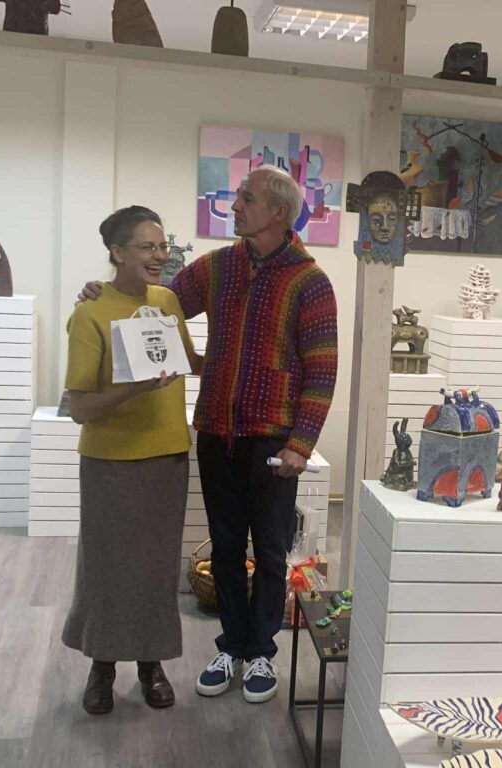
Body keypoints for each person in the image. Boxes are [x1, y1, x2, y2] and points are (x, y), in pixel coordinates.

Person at [79, 166, 338, 704]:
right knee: (225, 548)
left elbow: (322, 369)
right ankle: (232, 646)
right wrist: (105, 291)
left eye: (247, 198)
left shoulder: (310, 282)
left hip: (273, 441)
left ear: (278, 212)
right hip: (217, 431)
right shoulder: (219, 267)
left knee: (271, 551)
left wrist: (301, 443)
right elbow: (156, 302)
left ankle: (261, 652)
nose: (235, 205)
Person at [62, 206, 201, 715]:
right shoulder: (90, 312)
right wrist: (135, 388)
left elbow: (190, 362)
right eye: (147, 247)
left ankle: (151, 663)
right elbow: (80, 408)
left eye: (162, 246)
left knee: (156, 570)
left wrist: (248, 355)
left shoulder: (167, 301)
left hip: (168, 456)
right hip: (110, 461)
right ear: (117, 253)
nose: (159, 255)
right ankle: (102, 666)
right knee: (106, 567)